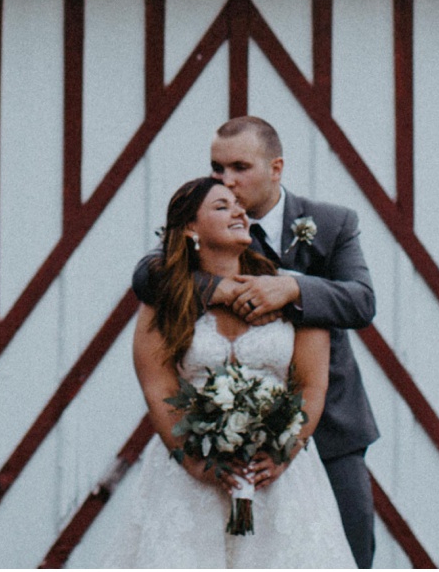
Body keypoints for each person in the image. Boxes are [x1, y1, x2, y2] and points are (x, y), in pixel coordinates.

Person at [128, 117, 381, 568]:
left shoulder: (331, 224)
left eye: (239, 167)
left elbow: (362, 301)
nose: (226, 179)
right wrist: (217, 288)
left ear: (276, 168)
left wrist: (295, 290)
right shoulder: (201, 227)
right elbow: (149, 275)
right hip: (209, 445)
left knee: (348, 551)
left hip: (331, 426)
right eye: (217, 167)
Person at [92, 176, 355, 568]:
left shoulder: (291, 291)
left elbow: (311, 384)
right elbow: (158, 387)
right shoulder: (164, 300)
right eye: (221, 206)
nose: (239, 211)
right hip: (188, 479)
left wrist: (286, 452)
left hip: (278, 478)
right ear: (191, 230)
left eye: (238, 205)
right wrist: (193, 462)